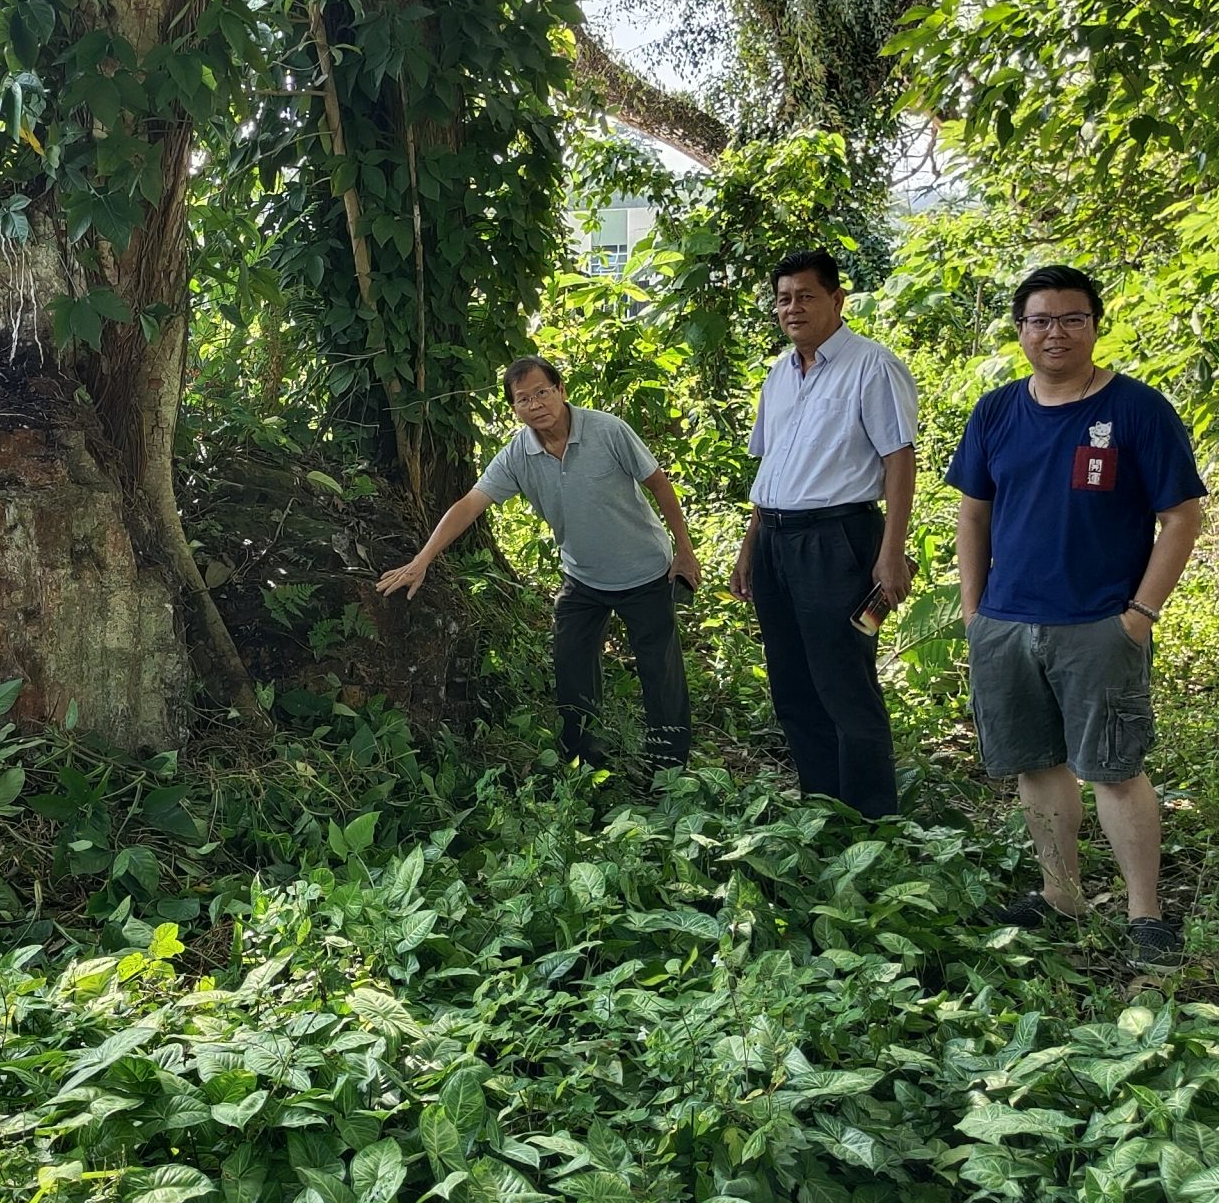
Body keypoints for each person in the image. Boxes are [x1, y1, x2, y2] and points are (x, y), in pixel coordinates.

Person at [946, 264, 1206, 968]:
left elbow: (1181, 517)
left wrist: (1141, 612)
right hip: (1006, 621)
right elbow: (974, 512)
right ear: (1020, 330)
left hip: (1099, 621)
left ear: (1094, 325)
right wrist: (975, 610)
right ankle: (1060, 893)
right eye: (1040, 320)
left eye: (1071, 319)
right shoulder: (997, 410)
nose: (1055, 332)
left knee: (1115, 768)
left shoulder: (1137, 409)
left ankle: (1144, 914)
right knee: (1037, 764)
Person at [378, 356, 700, 778]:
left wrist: (685, 550)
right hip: (582, 578)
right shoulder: (518, 455)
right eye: (523, 399)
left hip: (644, 572)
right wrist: (422, 560)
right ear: (514, 408)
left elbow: (659, 483)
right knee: (571, 671)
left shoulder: (608, 431)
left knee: (660, 672)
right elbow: (469, 505)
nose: (535, 404)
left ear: (561, 390)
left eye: (542, 392)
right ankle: (587, 764)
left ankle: (668, 769)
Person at [729, 248, 919, 819]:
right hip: (776, 541)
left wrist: (892, 556)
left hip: (838, 539)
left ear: (838, 299)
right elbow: (771, 468)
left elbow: (899, 459)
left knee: (844, 683)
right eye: (784, 298)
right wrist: (749, 549)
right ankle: (822, 808)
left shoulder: (872, 366)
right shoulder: (780, 373)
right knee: (792, 681)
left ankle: (870, 820)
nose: (793, 308)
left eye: (806, 296)